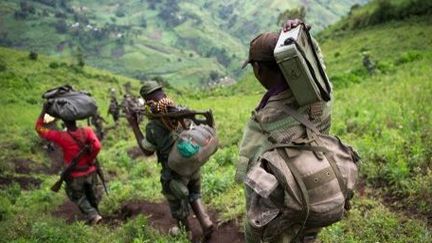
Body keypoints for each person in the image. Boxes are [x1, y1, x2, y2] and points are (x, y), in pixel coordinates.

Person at [237, 19, 332, 243]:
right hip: (318, 189)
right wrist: (305, 41)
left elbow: (253, 180)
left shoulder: (266, 120)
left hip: (288, 206)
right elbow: (318, 65)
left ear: (258, 69)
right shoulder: (322, 95)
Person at [125, 81, 214, 240]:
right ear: (164, 95)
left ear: (147, 102)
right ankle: (205, 221)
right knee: (194, 193)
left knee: (176, 202)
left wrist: (134, 125)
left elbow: (147, 150)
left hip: (173, 171)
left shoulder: (154, 126)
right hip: (191, 165)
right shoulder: (180, 113)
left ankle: (184, 232)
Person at [35, 103, 103, 224]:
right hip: (90, 171)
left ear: (64, 122)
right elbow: (97, 146)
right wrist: (90, 158)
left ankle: (93, 215)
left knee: (76, 195)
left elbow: (39, 129)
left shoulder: (61, 136)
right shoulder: (87, 131)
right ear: (76, 120)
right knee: (91, 193)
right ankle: (95, 213)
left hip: (75, 175)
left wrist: (44, 111)